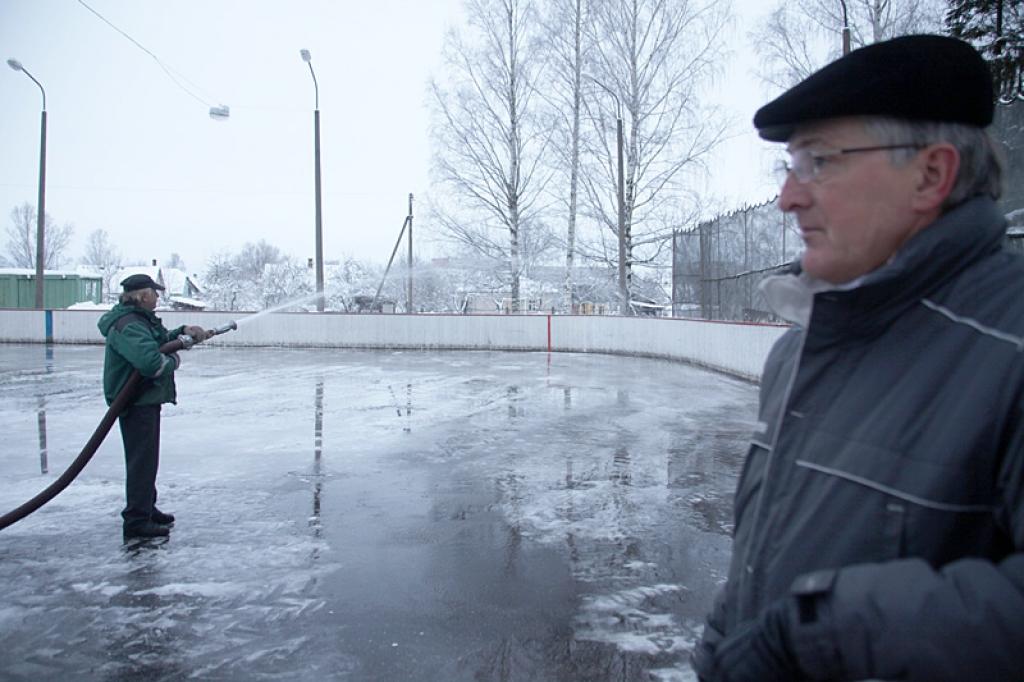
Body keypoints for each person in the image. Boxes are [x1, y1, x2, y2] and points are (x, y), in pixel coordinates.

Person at [692, 35, 1024, 681]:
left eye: (818, 162)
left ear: (932, 174)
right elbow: (767, 545)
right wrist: (723, 639)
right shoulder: (801, 348)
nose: (788, 197)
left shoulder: (1011, 349)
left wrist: (824, 634)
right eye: (788, 167)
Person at [98, 274, 211, 540]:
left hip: (143, 399)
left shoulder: (139, 321)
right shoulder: (129, 325)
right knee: (141, 461)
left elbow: (159, 341)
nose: (158, 298)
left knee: (147, 459)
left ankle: (146, 508)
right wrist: (174, 360)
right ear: (142, 295)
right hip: (135, 400)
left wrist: (184, 332)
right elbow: (151, 362)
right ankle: (137, 520)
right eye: (155, 293)